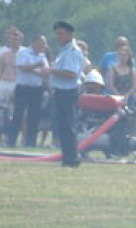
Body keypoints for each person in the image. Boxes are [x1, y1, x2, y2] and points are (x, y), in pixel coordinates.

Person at [43, 20, 85, 167]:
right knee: (62, 126)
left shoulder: (72, 51)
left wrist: (51, 71)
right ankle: (67, 157)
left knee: (68, 126)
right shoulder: (65, 50)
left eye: (61, 33)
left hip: (68, 92)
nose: (58, 37)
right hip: (61, 92)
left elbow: (71, 73)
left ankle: (72, 158)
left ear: (69, 34)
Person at [7, 33, 47, 148]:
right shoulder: (23, 53)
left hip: (37, 89)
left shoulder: (42, 56)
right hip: (23, 88)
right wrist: (36, 66)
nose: (44, 45)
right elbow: (22, 67)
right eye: (42, 42)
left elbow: (45, 71)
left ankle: (30, 142)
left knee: (34, 116)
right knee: (18, 114)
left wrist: (33, 68)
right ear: (35, 42)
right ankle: (11, 141)